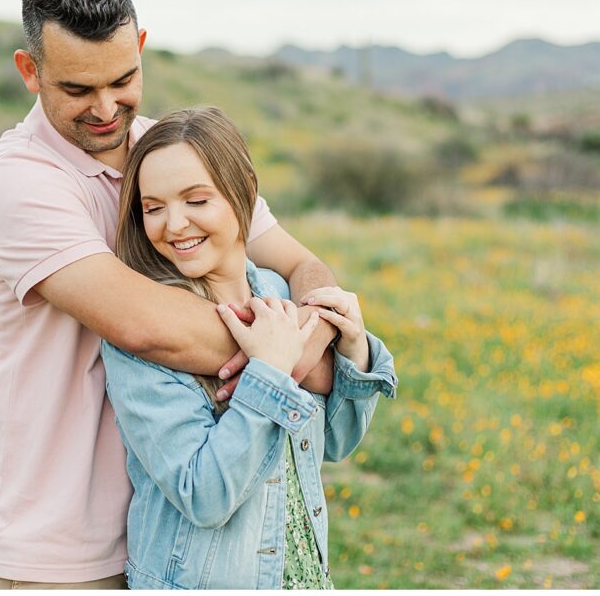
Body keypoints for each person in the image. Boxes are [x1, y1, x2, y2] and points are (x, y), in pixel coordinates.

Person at [0, 0, 341, 588]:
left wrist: (320, 319)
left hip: (175, 535)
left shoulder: (171, 157)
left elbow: (300, 262)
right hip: (59, 548)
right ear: (29, 71)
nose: (107, 108)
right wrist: (300, 357)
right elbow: (147, 327)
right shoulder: (18, 181)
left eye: (123, 79)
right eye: (78, 90)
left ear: (140, 48)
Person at [102, 106, 397, 589]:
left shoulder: (283, 299)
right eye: (153, 207)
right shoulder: (144, 333)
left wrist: (354, 347)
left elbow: (339, 440)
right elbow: (203, 495)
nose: (174, 225)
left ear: (244, 195)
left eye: (196, 200)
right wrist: (270, 375)